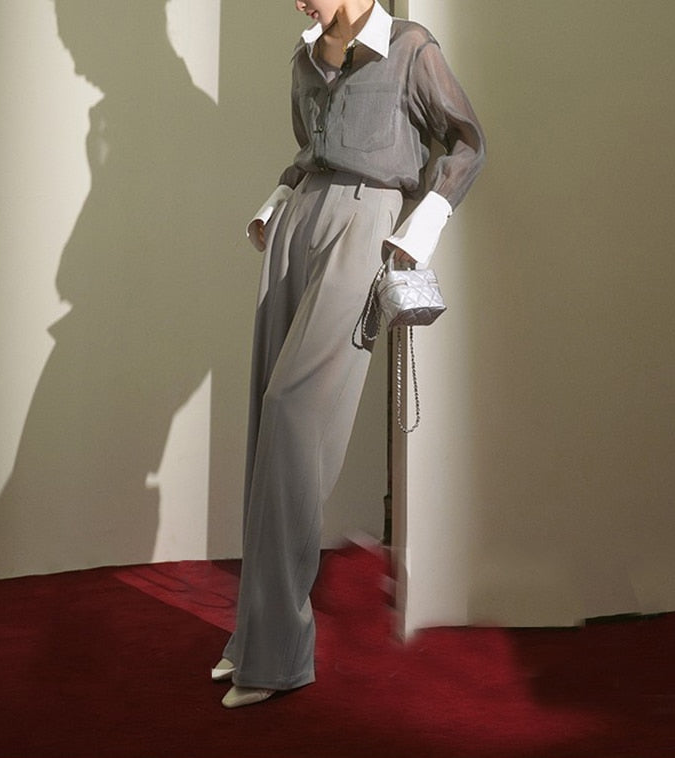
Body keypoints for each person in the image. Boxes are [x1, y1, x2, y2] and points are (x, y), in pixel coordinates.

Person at [215, 0, 486, 708]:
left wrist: (417, 231)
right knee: (266, 418)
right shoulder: (304, 57)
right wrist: (272, 206)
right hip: (296, 225)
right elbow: (310, 152)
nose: (296, 1)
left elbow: (467, 142)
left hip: (366, 223)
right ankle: (254, 634)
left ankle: (276, 655)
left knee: (293, 415)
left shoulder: (410, 47)